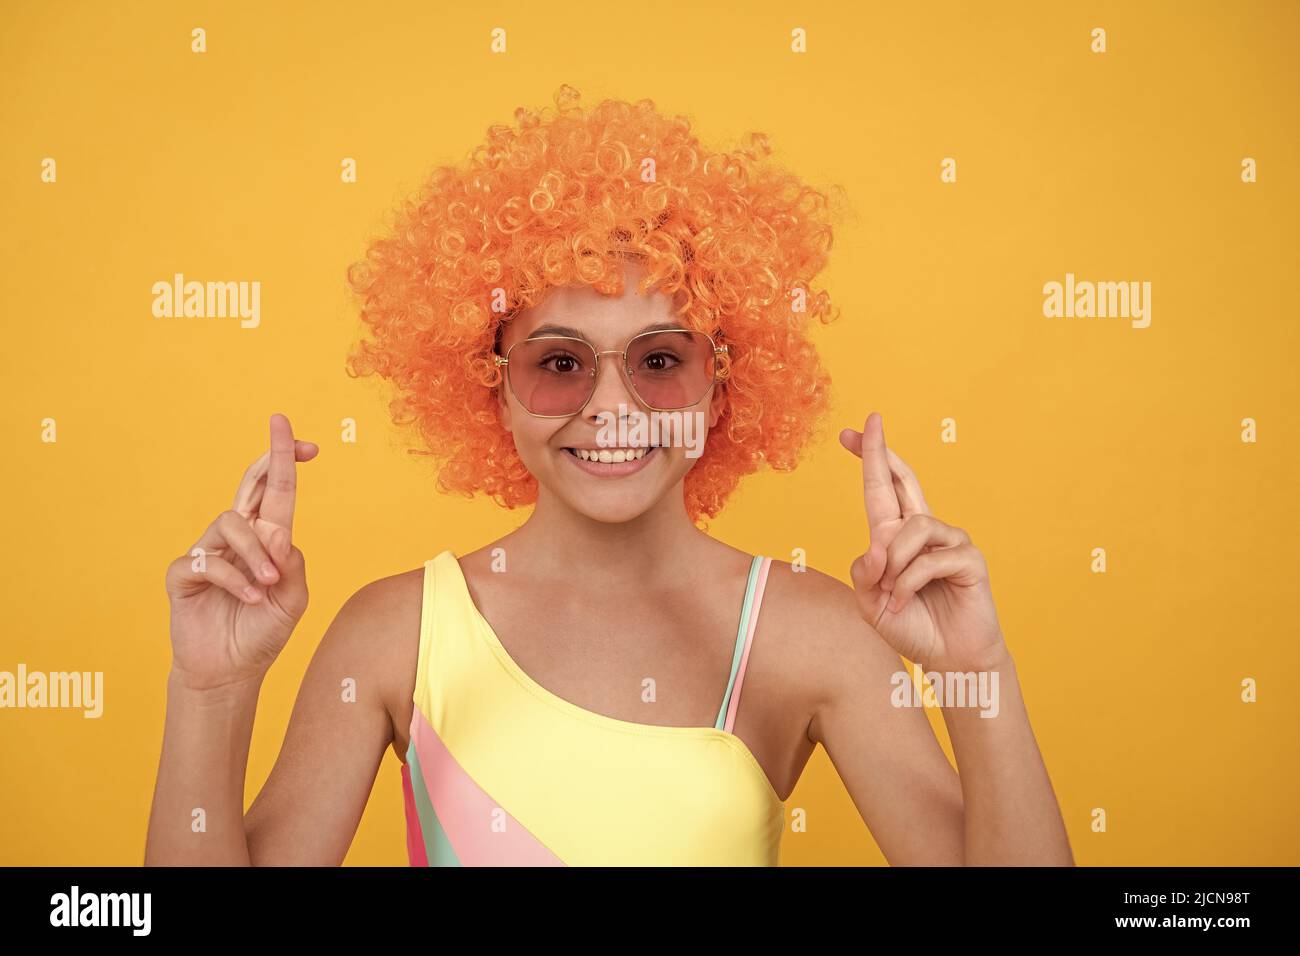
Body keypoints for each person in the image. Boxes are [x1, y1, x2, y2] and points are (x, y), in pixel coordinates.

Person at [145, 86, 1072, 866]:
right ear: (492, 390)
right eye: (560, 363)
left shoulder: (812, 634)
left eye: (660, 360)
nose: (614, 406)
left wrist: (976, 676)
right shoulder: (399, 633)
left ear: (722, 389)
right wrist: (211, 693)